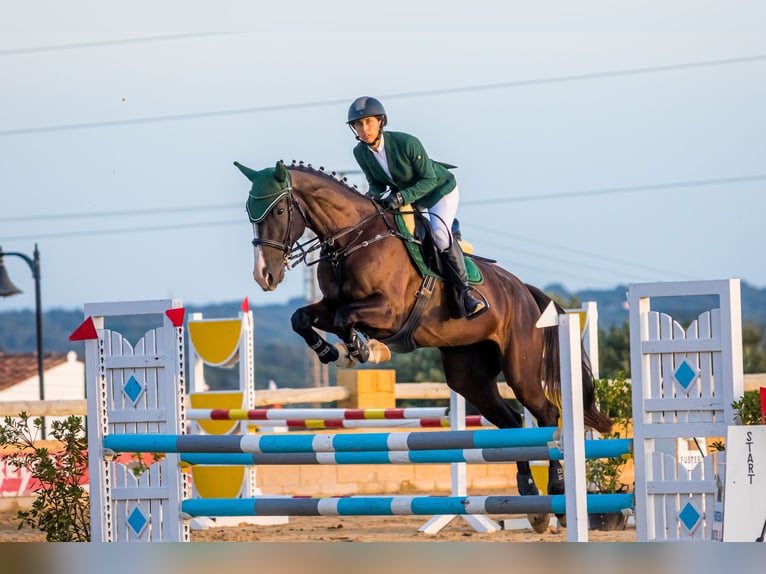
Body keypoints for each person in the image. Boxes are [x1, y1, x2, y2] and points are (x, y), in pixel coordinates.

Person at [346, 96, 487, 318]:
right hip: (410, 196)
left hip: (439, 190)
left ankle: (466, 294)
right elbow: (376, 183)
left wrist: (401, 198)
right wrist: (365, 202)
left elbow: (429, 179)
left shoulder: (407, 142)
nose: (364, 129)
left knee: (440, 234)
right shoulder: (360, 153)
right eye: (358, 124)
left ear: (381, 122)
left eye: (369, 122)